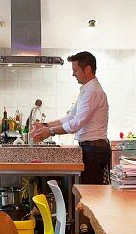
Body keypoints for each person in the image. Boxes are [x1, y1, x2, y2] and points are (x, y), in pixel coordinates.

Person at [31, 50, 111, 184]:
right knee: (88, 194)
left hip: (94, 151)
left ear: (87, 69)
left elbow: (75, 124)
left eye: (75, 70)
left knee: (92, 196)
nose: (73, 74)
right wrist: (45, 126)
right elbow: (70, 117)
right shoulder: (86, 90)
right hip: (91, 149)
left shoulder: (92, 92)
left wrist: (50, 131)